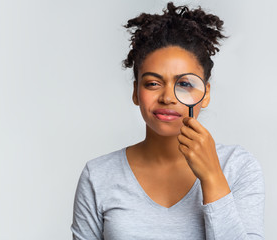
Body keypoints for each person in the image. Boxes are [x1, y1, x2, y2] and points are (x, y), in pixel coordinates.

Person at [71, 2, 264, 240]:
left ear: (206, 94)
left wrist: (212, 176)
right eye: (153, 83)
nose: (168, 97)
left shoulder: (238, 167)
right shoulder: (98, 175)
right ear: (135, 92)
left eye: (184, 84)